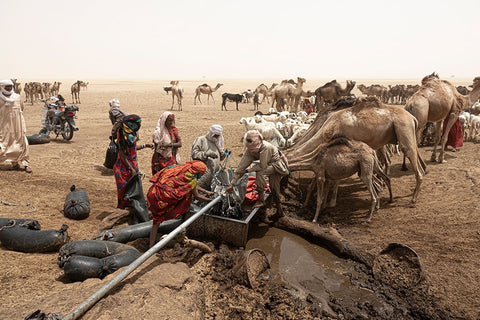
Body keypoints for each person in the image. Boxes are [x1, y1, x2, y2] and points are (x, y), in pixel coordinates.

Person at [148, 160, 214, 247]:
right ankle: (178, 235)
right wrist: (211, 201)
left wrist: (206, 191)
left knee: (156, 222)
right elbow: (197, 196)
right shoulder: (192, 180)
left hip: (153, 192)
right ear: (198, 173)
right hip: (162, 198)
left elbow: (191, 185)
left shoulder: (181, 168)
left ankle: (150, 245)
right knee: (159, 219)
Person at [226, 129, 288, 215]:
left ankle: (264, 201)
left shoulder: (265, 148)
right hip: (265, 165)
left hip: (275, 165)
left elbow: (262, 166)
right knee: (271, 185)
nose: (252, 151)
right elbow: (240, 168)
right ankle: (273, 207)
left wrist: (247, 171)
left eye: (254, 148)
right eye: (250, 149)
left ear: (260, 142)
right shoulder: (249, 150)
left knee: (272, 186)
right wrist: (232, 184)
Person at [113, 114, 152, 210]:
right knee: (124, 191)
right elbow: (122, 155)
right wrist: (131, 169)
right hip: (123, 169)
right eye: (138, 124)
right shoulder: (122, 136)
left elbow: (133, 148)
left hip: (131, 167)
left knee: (135, 189)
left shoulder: (129, 134)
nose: (140, 126)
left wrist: (145, 145)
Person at [0, 79, 32, 173]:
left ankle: (26, 164)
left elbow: (21, 108)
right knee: (4, 144)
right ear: (2, 87)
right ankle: (14, 163)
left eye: (10, 86)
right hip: (4, 126)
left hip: (18, 125)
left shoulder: (17, 97)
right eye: (7, 87)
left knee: (22, 143)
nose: (9, 88)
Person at [191, 124, 227, 189]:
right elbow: (194, 154)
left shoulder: (218, 143)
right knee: (199, 190)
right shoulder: (201, 140)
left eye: (218, 136)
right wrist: (207, 154)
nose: (216, 137)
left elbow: (219, 159)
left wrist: (225, 154)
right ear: (211, 133)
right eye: (215, 135)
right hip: (202, 173)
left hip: (214, 174)